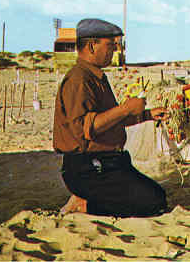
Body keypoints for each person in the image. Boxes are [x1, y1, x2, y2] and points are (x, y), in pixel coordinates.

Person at [54, 18, 168, 217]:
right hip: (89, 168)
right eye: (110, 45)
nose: (114, 50)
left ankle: (88, 199)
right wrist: (125, 109)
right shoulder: (78, 80)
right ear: (91, 46)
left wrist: (147, 115)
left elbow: (109, 120)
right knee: (153, 203)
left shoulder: (94, 77)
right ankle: (83, 205)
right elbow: (85, 129)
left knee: (156, 196)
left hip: (110, 163)